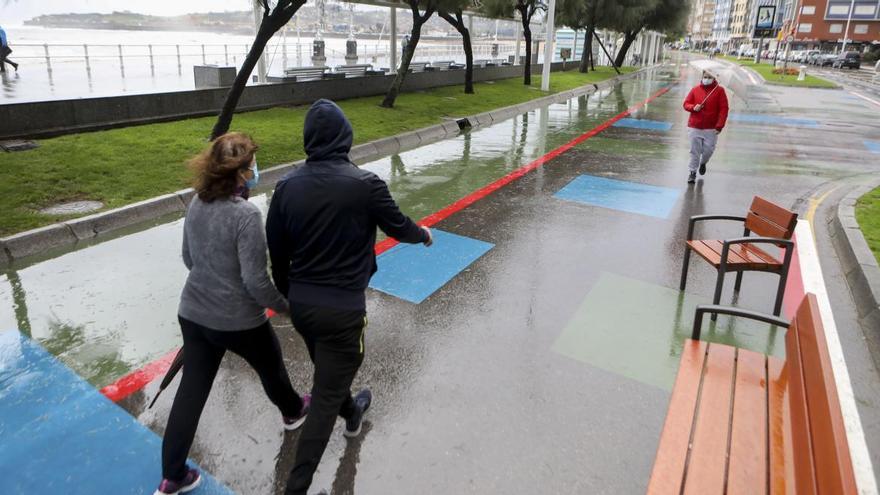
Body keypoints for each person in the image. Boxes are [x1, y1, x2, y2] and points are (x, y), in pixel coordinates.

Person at [266, 99, 432, 495]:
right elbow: (399, 226)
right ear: (346, 137)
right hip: (342, 311)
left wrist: (291, 298)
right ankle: (297, 486)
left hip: (303, 308)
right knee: (325, 394)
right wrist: (424, 234)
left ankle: (354, 411)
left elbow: (277, 254)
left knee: (329, 373)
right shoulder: (365, 184)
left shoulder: (285, 188)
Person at [155, 132, 310, 495]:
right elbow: (256, 282)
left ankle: (172, 476)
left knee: (190, 393)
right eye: (253, 164)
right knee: (271, 366)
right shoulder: (246, 215)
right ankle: (292, 412)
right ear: (241, 172)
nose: (256, 169)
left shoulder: (196, 202)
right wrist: (288, 306)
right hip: (239, 321)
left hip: (192, 315)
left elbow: (189, 259)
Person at [682, 69, 728, 184]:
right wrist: (693, 107)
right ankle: (692, 172)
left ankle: (703, 163)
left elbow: (724, 109)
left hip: (711, 128)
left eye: (709, 77)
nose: (707, 79)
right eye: (705, 77)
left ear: (714, 78)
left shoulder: (719, 91)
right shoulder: (695, 90)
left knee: (708, 150)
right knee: (694, 151)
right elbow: (686, 104)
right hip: (694, 126)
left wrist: (719, 125)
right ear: (702, 77)